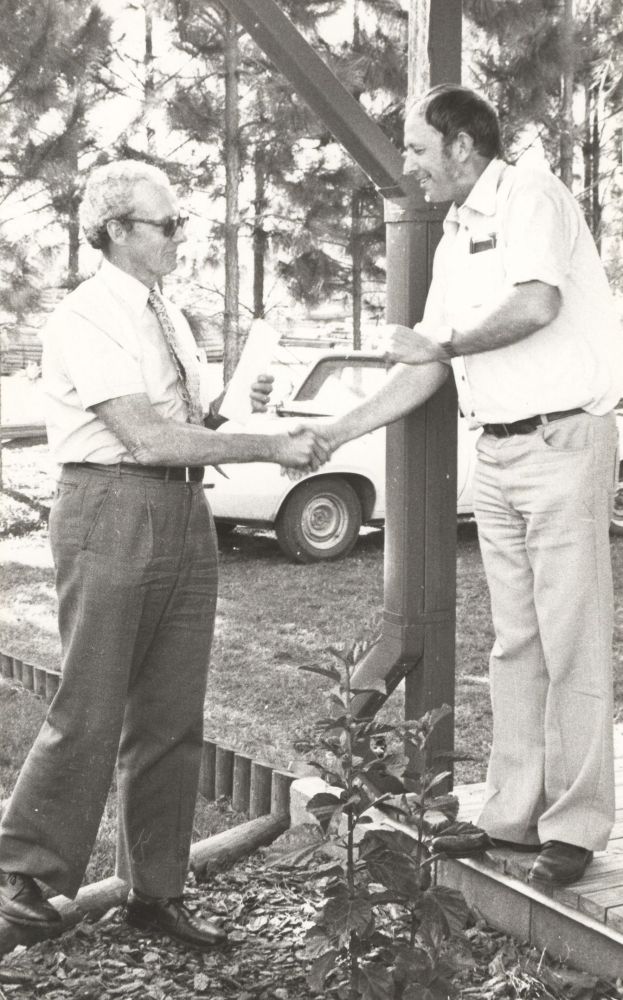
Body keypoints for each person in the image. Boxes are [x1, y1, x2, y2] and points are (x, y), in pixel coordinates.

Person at [293, 84, 623, 887]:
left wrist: (439, 337)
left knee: (571, 635)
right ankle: (510, 816)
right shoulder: (453, 234)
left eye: (414, 148)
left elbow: (536, 303)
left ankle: (575, 828)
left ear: (462, 146)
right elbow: (427, 362)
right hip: (501, 454)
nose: (406, 164)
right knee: (515, 642)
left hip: (562, 436)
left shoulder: (531, 196)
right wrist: (336, 432)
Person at [0, 160, 328, 947]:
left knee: (172, 711)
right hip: (112, 504)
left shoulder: (166, 313)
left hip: (182, 505)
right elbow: (142, 436)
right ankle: (27, 880)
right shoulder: (87, 315)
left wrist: (235, 409)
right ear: (116, 231)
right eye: (168, 224)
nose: (183, 237)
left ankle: (156, 890)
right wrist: (269, 445)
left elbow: (180, 419)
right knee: (91, 698)